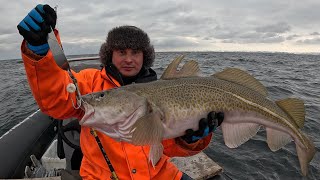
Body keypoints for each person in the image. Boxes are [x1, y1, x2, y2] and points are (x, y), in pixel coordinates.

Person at [17, 4, 223, 180]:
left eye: (135, 52)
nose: (128, 59)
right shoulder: (89, 82)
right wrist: (39, 51)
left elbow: (167, 147)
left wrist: (190, 139)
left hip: (159, 174)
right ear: (110, 54)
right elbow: (57, 100)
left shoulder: (161, 90)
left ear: (145, 56)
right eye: (121, 52)